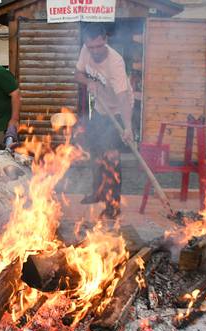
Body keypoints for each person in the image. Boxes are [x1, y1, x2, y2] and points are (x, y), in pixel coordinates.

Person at [74, 23, 134, 220]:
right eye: (91, 47)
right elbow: (78, 74)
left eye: (98, 46)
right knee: (96, 154)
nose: (95, 51)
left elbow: (124, 98)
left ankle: (113, 205)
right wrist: (89, 82)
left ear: (105, 40)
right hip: (100, 109)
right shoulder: (86, 50)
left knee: (112, 159)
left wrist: (127, 127)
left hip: (117, 111)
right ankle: (97, 192)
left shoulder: (115, 62)